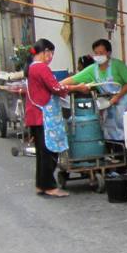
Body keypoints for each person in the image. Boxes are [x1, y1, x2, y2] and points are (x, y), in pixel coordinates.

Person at [25, 38, 88, 198]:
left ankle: (41, 184)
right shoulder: (41, 68)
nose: (51, 56)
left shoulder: (32, 67)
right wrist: (77, 87)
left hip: (36, 114)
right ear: (45, 51)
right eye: (50, 52)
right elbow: (56, 87)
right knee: (49, 152)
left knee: (42, 152)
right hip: (44, 115)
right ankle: (49, 186)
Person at [62, 39, 127, 141]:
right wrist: (56, 85)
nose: (98, 55)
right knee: (112, 135)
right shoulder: (93, 69)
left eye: (101, 53)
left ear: (108, 53)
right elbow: (73, 79)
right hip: (109, 106)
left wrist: (117, 96)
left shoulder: (118, 65)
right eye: (96, 53)